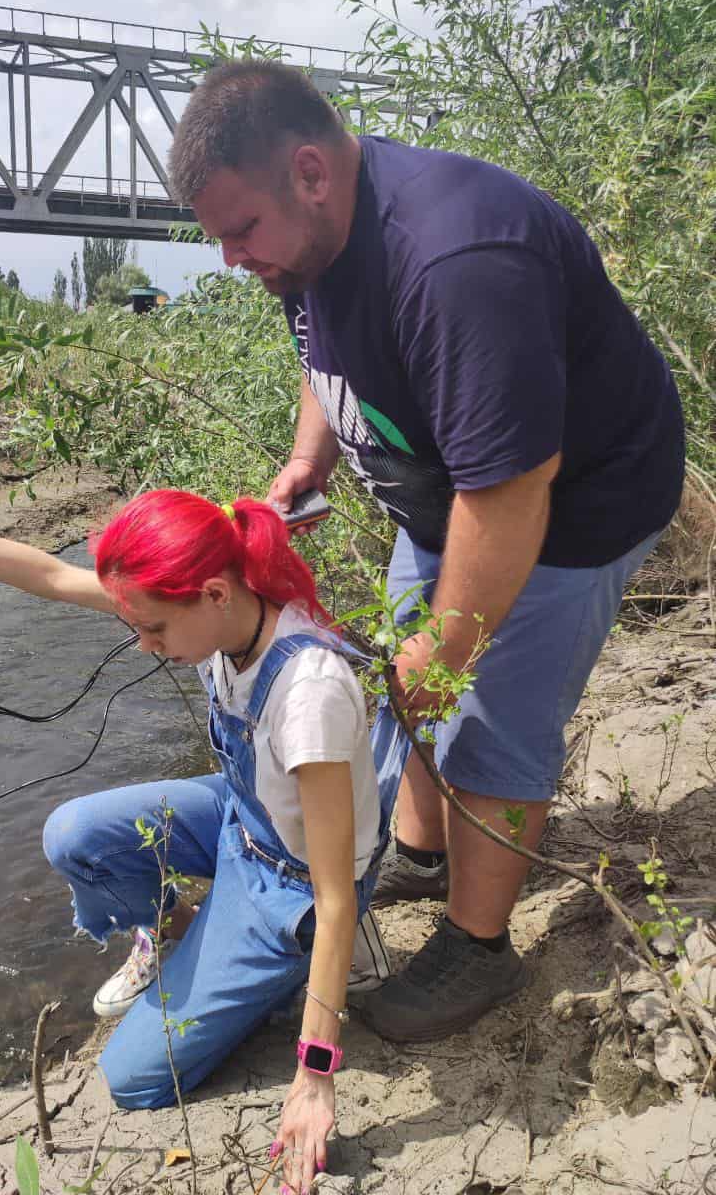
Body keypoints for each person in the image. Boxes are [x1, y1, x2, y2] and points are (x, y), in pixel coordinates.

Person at [166, 61, 686, 1043]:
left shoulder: (455, 259)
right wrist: (304, 461)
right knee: (406, 687)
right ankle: (422, 846)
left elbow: (512, 493)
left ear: (310, 173)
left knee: (489, 713)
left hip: (567, 505)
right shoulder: (307, 248)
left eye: (240, 232)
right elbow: (325, 352)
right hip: (448, 500)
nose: (233, 258)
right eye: (219, 238)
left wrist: (447, 654)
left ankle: (477, 945)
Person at [0, 490, 402, 1195]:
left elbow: (335, 890)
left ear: (214, 594)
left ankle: (305, 960)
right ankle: (188, 930)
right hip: (242, 816)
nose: (144, 645)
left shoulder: (307, 692)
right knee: (74, 834)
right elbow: (48, 577)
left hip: (296, 879)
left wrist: (315, 1075)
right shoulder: (217, 611)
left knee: (132, 1080)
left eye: (153, 628)